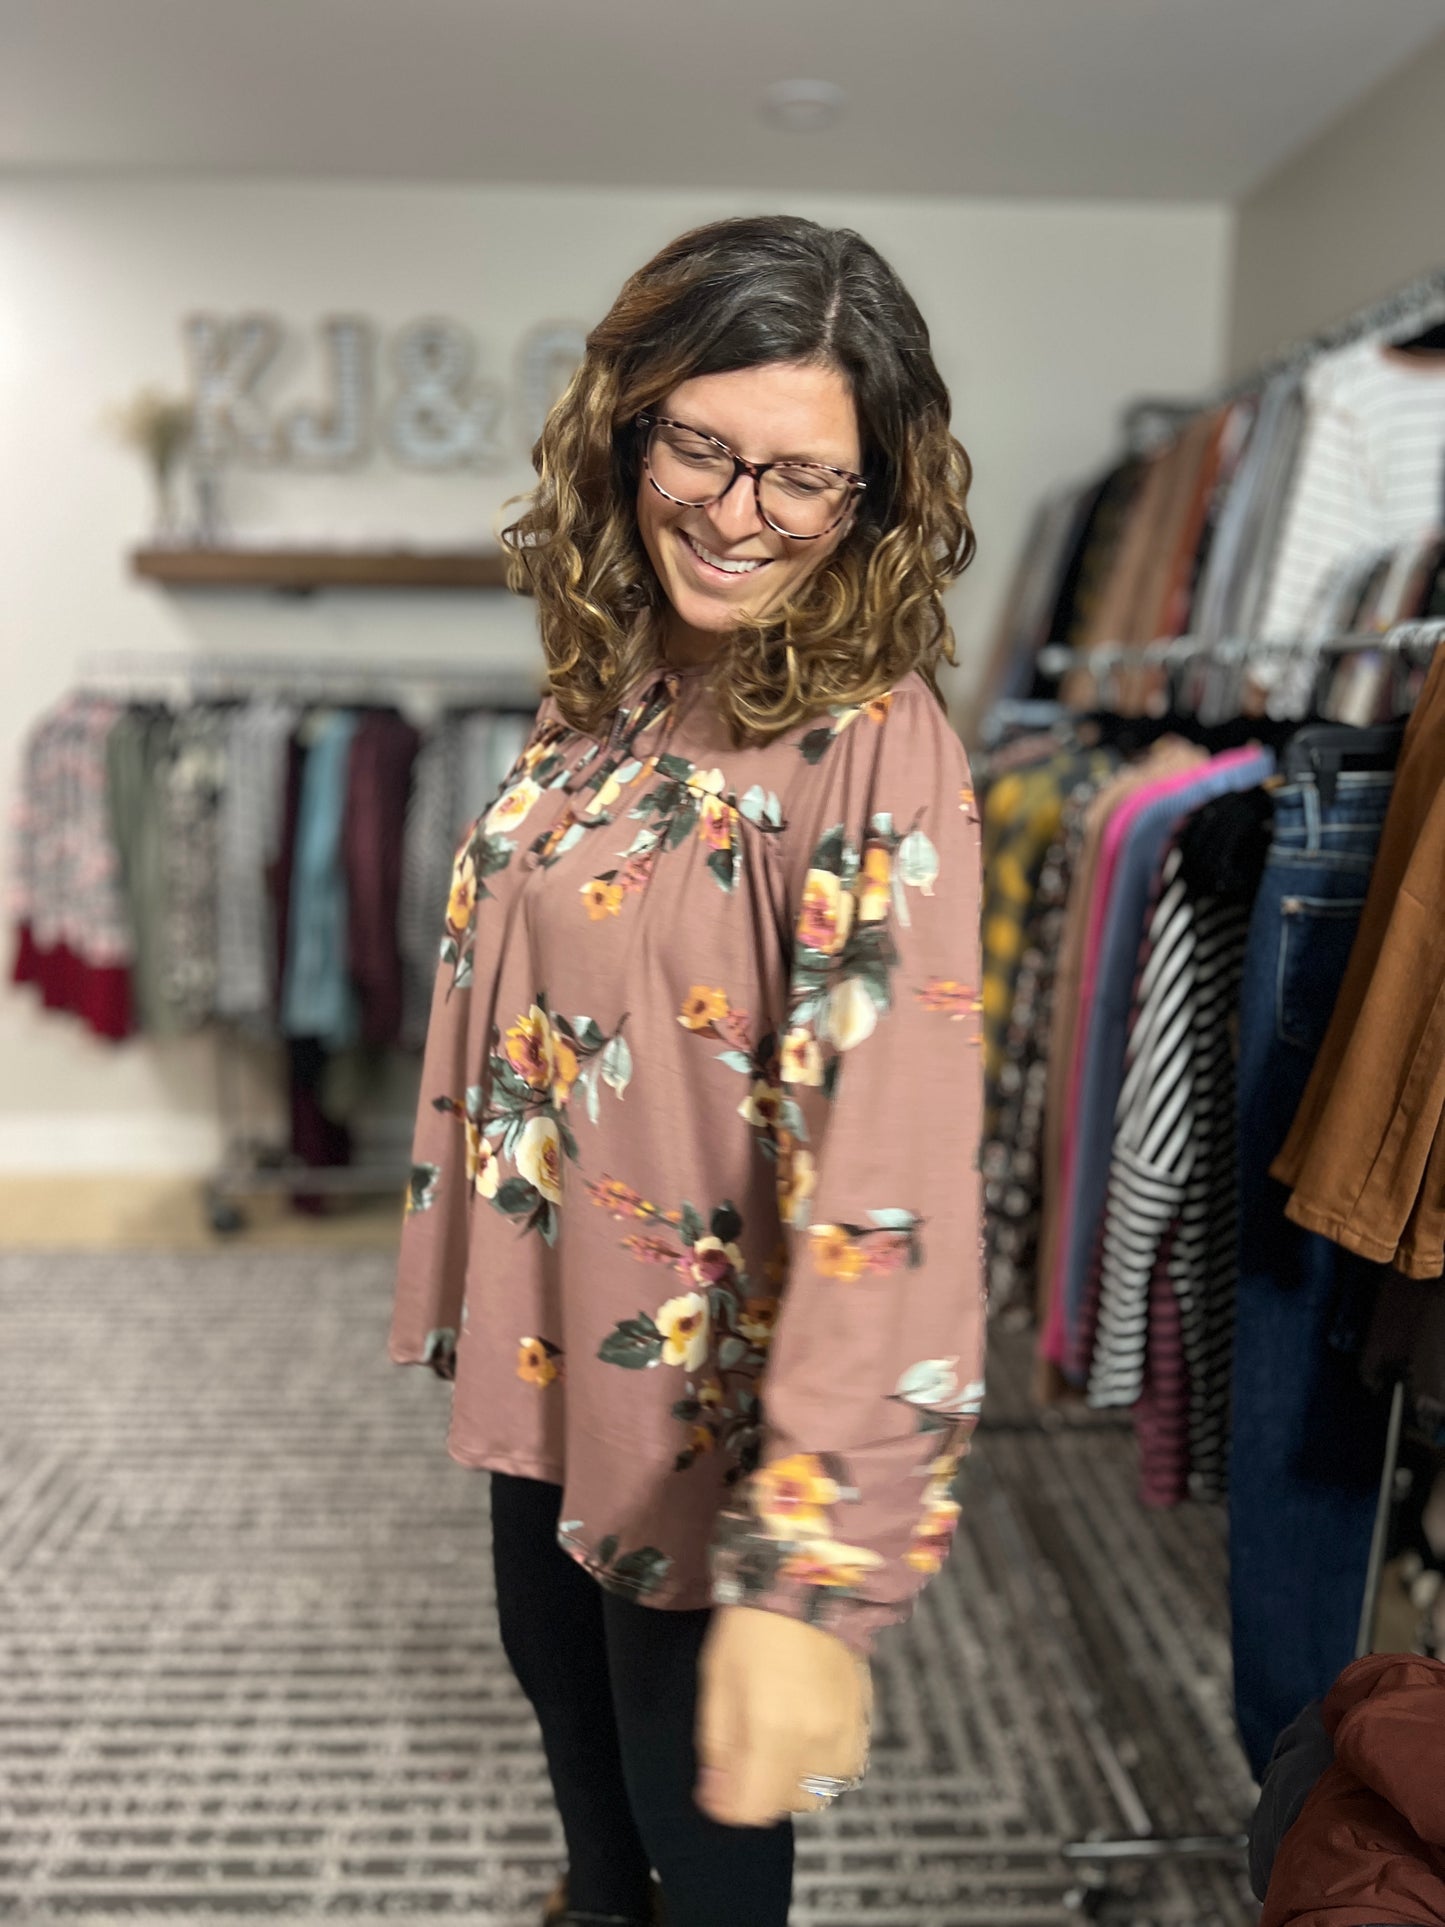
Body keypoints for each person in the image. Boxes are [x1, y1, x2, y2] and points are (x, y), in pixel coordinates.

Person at [389, 214, 986, 1927]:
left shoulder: (873, 743)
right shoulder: (614, 678)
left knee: (693, 1801)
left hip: (703, 1399)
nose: (736, 516)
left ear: (875, 494)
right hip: (546, 1327)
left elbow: (898, 1170)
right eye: (702, 447)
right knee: (559, 1703)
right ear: (626, 421)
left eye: (803, 479)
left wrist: (814, 1583)